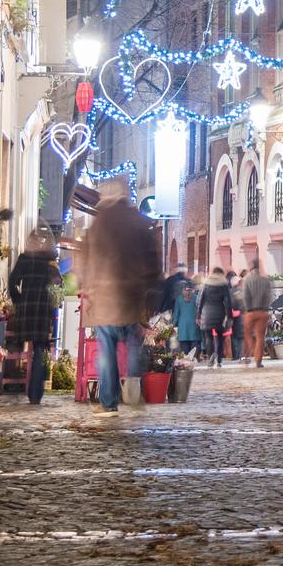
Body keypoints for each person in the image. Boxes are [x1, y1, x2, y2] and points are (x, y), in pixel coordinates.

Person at [75, 176, 161, 414]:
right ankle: (133, 386)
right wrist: (151, 287)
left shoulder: (98, 224)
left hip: (104, 299)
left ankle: (109, 402)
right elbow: (153, 259)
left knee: (107, 351)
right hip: (131, 297)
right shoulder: (138, 222)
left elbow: (84, 259)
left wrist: (87, 285)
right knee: (134, 342)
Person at [7, 229, 62, 405]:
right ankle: (35, 394)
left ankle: (19, 381)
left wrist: (18, 301)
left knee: (28, 347)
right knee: (40, 350)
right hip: (43, 310)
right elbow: (57, 286)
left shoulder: (25, 259)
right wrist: (54, 304)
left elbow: (12, 281)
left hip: (26, 309)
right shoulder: (49, 261)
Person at [238, 262, 277, 366]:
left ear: (251, 268)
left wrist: (247, 309)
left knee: (247, 335)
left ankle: (245, 357)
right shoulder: (265, 280)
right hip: (262, 312)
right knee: (260, 337)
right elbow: (269, 297)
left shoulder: (247, 279)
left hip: (250, 312)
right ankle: (258, 361)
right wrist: (266, 308)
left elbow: (245, 296)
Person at [196, 265, 232, 366]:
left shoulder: (206, 283)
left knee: (208, 337)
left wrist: (198, 314)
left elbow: (201, 300)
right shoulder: (223, 284)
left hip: (206, 313)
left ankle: (210, 356)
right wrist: (229, 315)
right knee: (220, 337)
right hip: (219, 313)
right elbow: (228, 301)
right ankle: (219, 360)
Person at [172, 272, 201, 356]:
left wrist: (173, 325)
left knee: (184, 353)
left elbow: (176, 314)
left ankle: (186, 365)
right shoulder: (196, 298)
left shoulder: (179, 299)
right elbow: (199, 311)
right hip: (194, 326)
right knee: (193, 352)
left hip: (183, 327)